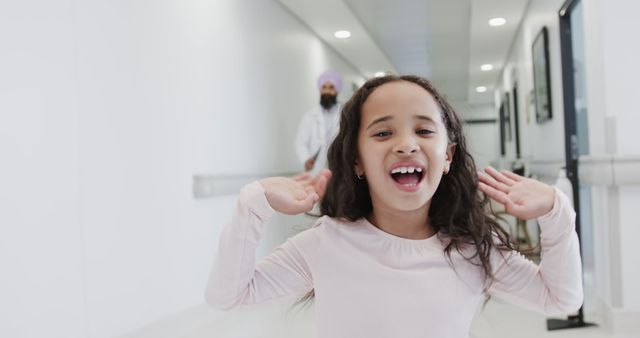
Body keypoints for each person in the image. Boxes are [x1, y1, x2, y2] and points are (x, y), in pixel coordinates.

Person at [205, 75, 583, 338]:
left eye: (423, 130)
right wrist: (252, 205)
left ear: (448, 155)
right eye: (383, 132)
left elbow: (562, 299)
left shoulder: (471, 250)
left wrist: (556, 214)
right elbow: (228, 295)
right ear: (356, 160)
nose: (406, 144)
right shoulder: (327, 244)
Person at [294, 70, 343, 173]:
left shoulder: (344, 114)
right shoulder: (310, 116)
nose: (327, 91)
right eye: (324, 87)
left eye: (331, 87)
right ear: (320, 90)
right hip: (316, 168)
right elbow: (300, 142)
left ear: (337, 90)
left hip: (339, 166)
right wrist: (306, 159)